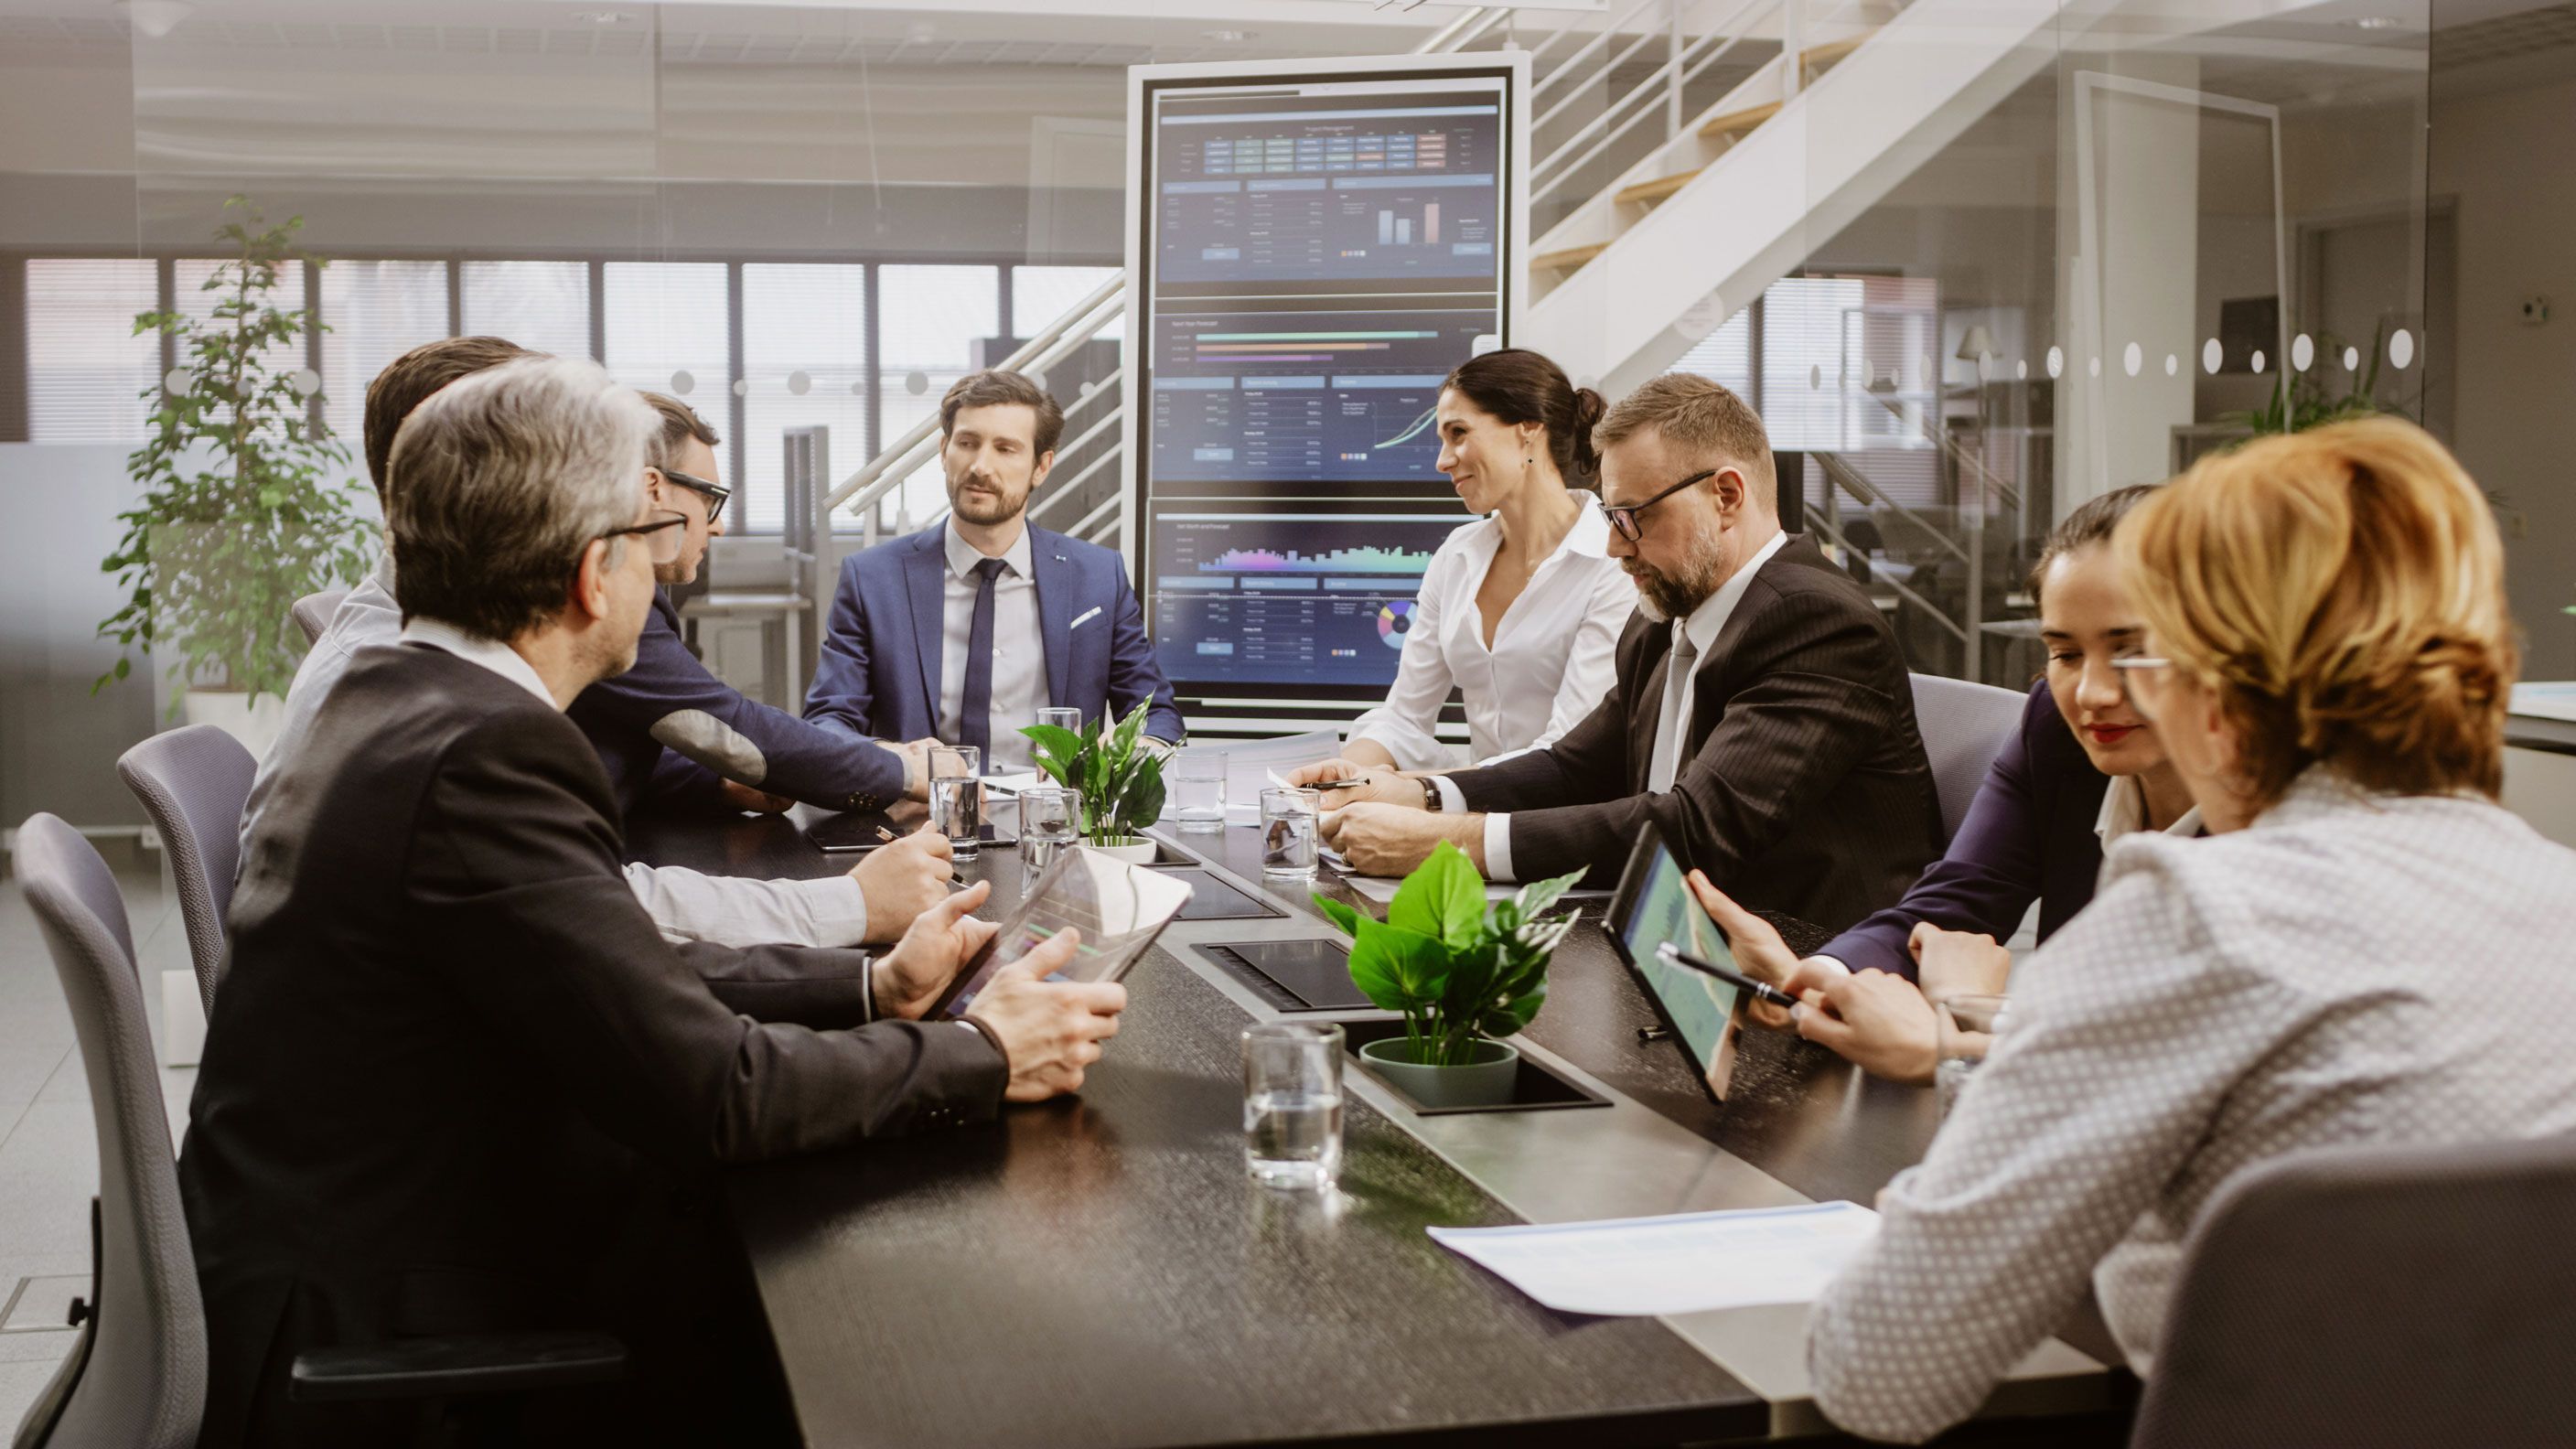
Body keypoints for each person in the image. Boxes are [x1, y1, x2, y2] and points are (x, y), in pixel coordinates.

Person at [181, 356, 1129, 1447]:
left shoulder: (399, 692)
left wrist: (869, 983)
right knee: (877, 1337)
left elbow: (601, 956)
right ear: (594, 573)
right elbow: (716, 1095)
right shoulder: (485, 752)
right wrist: (987, 1055)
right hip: (396, 1323)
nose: (668, 568)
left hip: (368, 1235)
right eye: (650, 537)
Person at [1806, 418, 2576, 1444]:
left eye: (2147, 651)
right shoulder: (2550, 886)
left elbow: (1877, 1373)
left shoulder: (2192, 914)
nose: (2106, 690)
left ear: (2213, 684)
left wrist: (1974, 1066)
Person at [245, 338, 947, 951]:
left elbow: (574, 899)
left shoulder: (430, 664)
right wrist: (849, 907)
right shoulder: (455, 729)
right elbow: (604, 916)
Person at [1293, 373, 1940, 931]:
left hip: (1801, 973)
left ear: (1727, 496)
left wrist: (1448, 845)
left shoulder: (1815, 623)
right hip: (1669, 940)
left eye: (1634, 517)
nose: (1614, 547)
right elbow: (1575, 767)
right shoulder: (1666, 616)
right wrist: (1421, 794)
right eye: (1610, 516)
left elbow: (1694, 830)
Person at [1690, 485, 2199, 1080]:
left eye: (2131, 652)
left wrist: (1959, 1043)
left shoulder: (2284, 831)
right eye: (2066, 654)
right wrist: (1817, 978)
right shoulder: (2055, 728)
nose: (2092, 693)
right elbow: (1953, 902)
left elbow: (2201, 1066)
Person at [805, 369, 1183, 771]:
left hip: (1056, 820)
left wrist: (1131, 749)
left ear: (1041, 466)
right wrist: (899, 759)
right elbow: (828, 723)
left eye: (1005, 449)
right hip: (922, 819)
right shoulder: (872, 580)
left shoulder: (1098, 576)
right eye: (968, 443)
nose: (981, 466)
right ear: (944, 450)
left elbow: (1157, 714)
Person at [566, 392, 922, 818]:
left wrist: (716, 781)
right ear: (652, 488)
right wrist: (907, 772)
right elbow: (729, 726)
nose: (717, 526)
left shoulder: (618, 583)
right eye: (708, 499)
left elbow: (602, 751)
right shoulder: (608, 593)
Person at [1339, 349, 1634, 770]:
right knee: (1352, 831)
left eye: (1458, 433)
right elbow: (1404, 716)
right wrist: (1346, 775)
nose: (1442, 462)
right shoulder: (1456, 556)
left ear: (1528, 431)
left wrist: (1423, 795)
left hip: (1560, 825)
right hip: (1468, 824)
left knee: (1398, 828)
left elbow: (1565, 752)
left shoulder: (1612, 561)